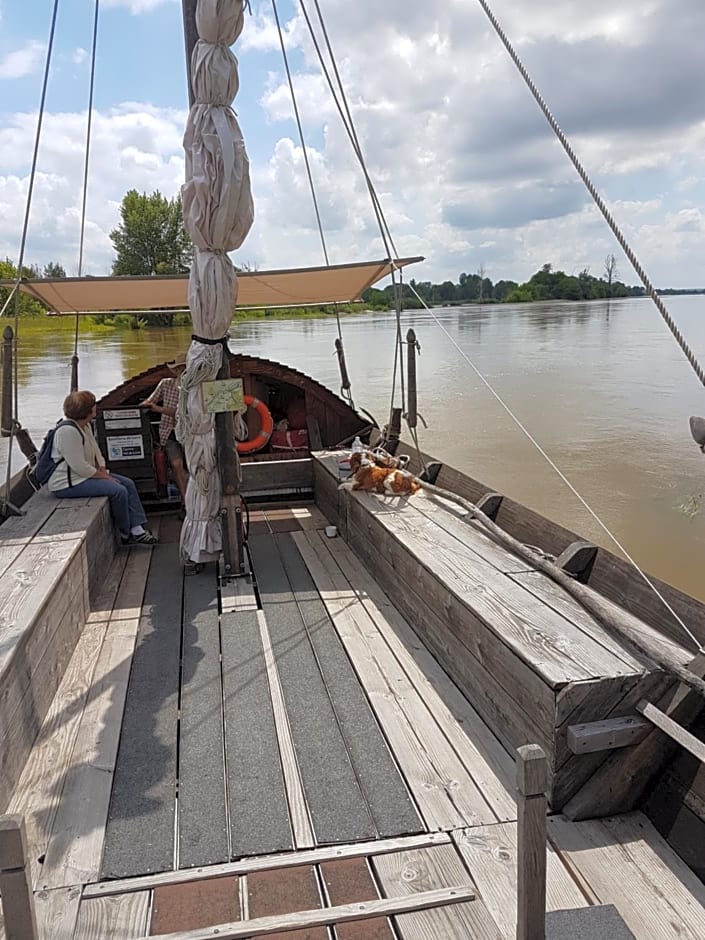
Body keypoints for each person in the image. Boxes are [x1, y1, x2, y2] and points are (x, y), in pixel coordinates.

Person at [49, 390, 158, 545]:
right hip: (69, 483)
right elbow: (79, 466)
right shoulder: (67, 431)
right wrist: (105, 477)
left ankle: (137, 529)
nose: (96, 407)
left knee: (128, 483)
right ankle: (125, 532)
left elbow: (96, 451)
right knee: (118, 491)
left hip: (85, 476)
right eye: (93, 405)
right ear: (86, 410)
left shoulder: (84, 426)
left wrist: (102, 468)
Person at [140, 353, 188, 504]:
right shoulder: (166, 384)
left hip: (191, 431)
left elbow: (181, 413)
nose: (183, 372)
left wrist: (158, 409)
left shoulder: (196, 388)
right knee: (176, 464)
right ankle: (184, 501)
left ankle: (196, 500)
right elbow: (150, 401)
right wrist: (145, 406)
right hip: (170, 431)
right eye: (181, 369)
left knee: (196, 464)